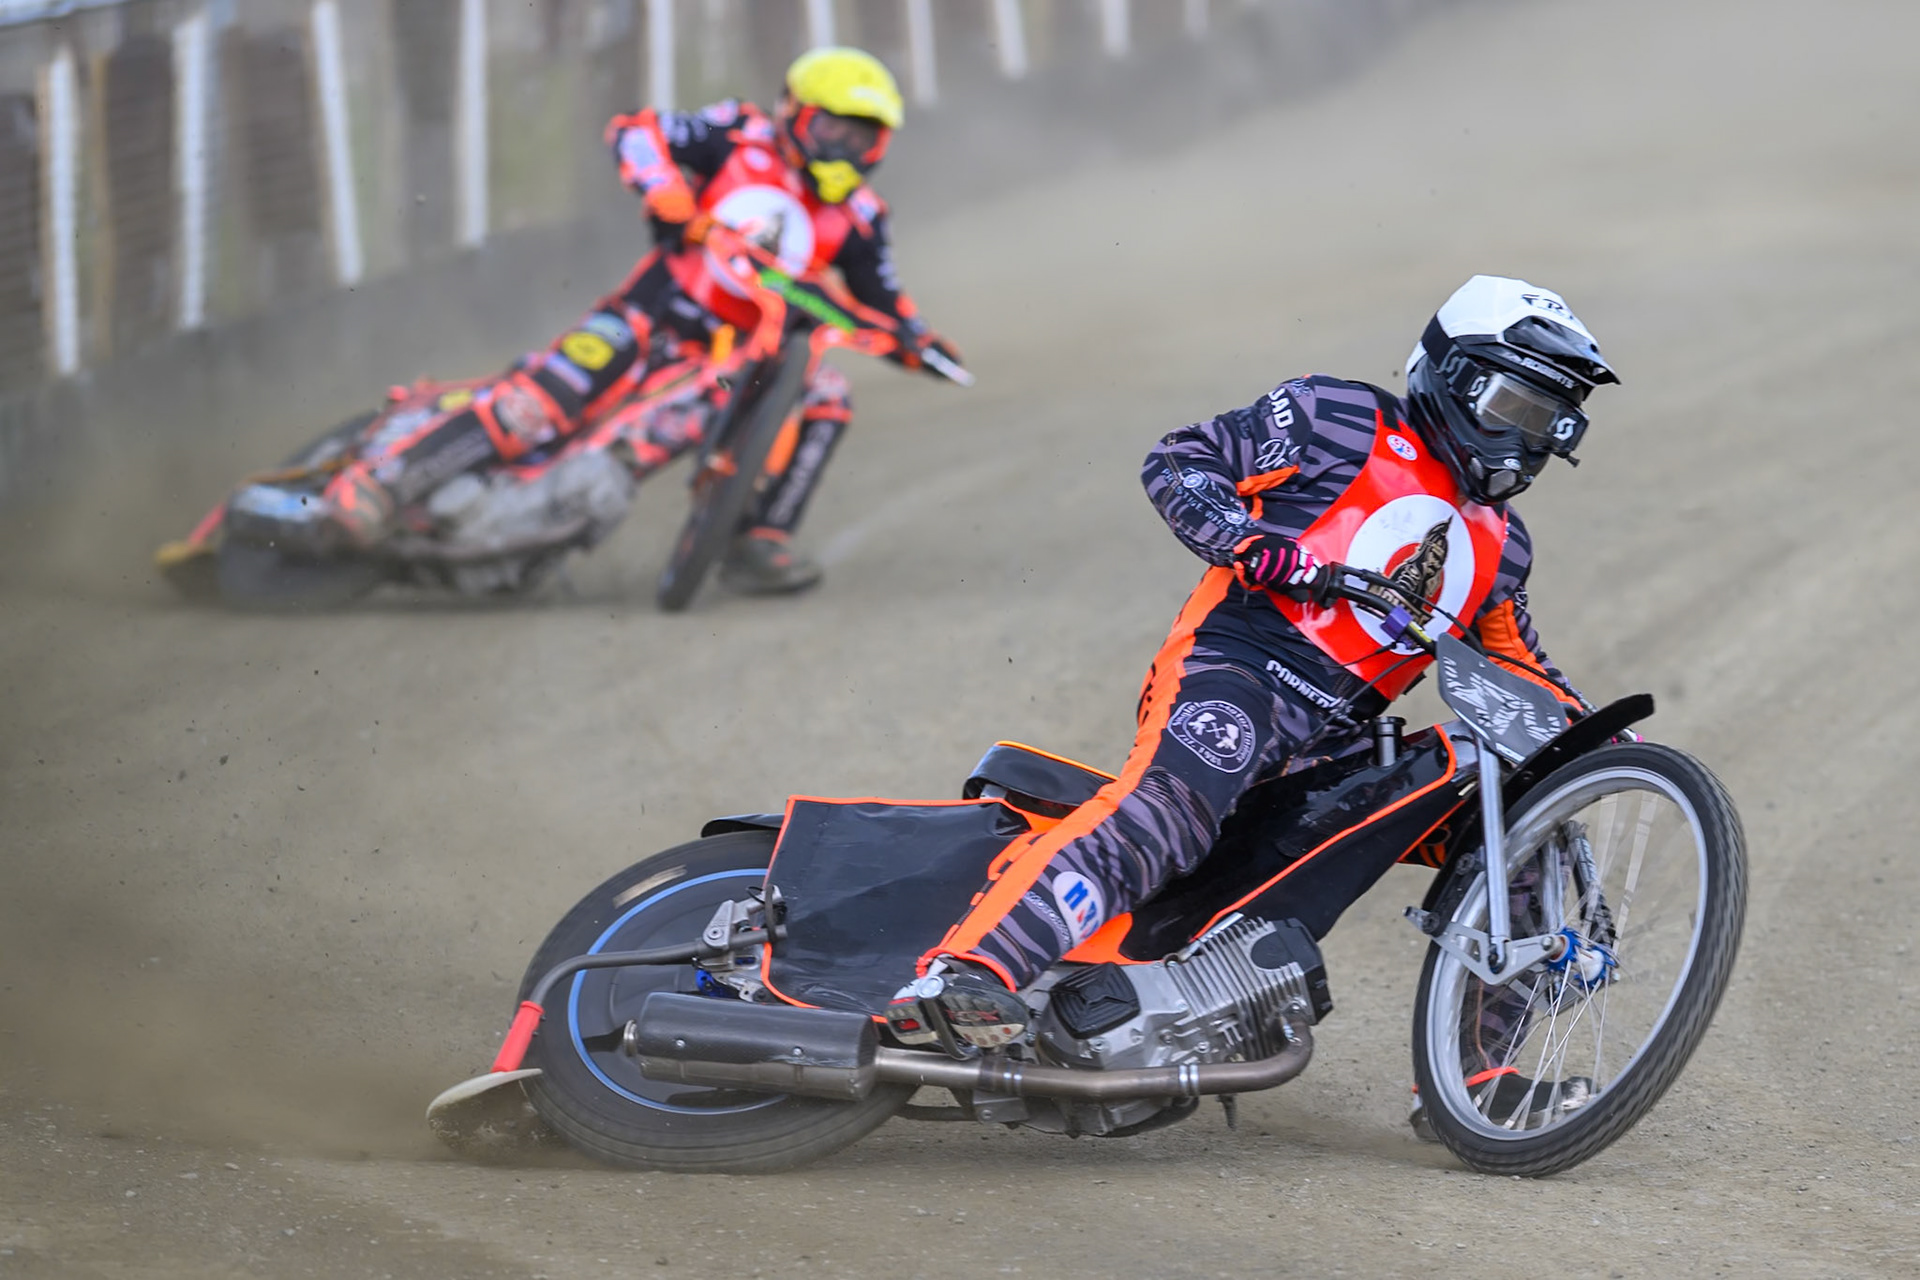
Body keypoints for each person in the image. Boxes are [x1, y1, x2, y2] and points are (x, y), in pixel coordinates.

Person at [887, 275, 1620, 1117]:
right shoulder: (1338, 416)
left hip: (1331, 739)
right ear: (1453, 376)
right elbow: (1180, 461)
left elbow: (1521, 666)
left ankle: (1474, 1087)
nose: (1525, 443)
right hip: (1236, 669)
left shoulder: (1504, 546)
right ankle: (967, 972)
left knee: (1516, 820)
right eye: (1514, 407)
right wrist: (1251, 543)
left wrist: (1600, 743)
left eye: (1548, 423)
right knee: (1171, 814)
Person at [320, 46, 958, 595]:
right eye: (833, 130)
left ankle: (758, 539)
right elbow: (637, 131)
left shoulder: (862, 218)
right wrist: (667, 193)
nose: (844, 150)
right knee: (542, 402)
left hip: (726, 363)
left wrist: (921, 343)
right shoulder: (739, 133)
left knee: (828, 393)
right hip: (646, 316)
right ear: (794, 111)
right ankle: (380, 484)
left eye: (862, 138)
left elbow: (885, 304)